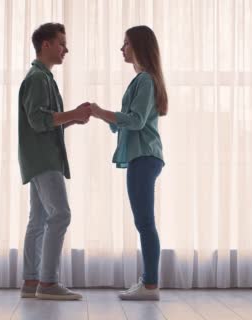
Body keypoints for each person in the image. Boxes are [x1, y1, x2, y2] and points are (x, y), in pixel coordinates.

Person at [90, 25, 168, 301]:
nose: (121, 49)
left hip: (144, 157)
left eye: (125, 44)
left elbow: (134, 121)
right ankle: (148, 283)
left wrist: (100, 111)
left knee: (145, 223)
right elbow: (126, 122)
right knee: (144, 222)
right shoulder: (141, 81)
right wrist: (100, 115)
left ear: (138, 46)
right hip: (143, 156)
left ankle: (150, 286)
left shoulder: (145, 80)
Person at [18, 22, 90, 300]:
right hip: (44, 159)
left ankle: (31, 281)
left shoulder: (43, 77)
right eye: (61, 43)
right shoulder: (37, 79)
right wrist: (71, 113)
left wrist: (72, 117)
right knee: (60, 215)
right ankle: (47, 284)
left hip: (38, 158)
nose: (66, 49)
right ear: (45, 44)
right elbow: (38, 121)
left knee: (38, 220)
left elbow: (44, 123)